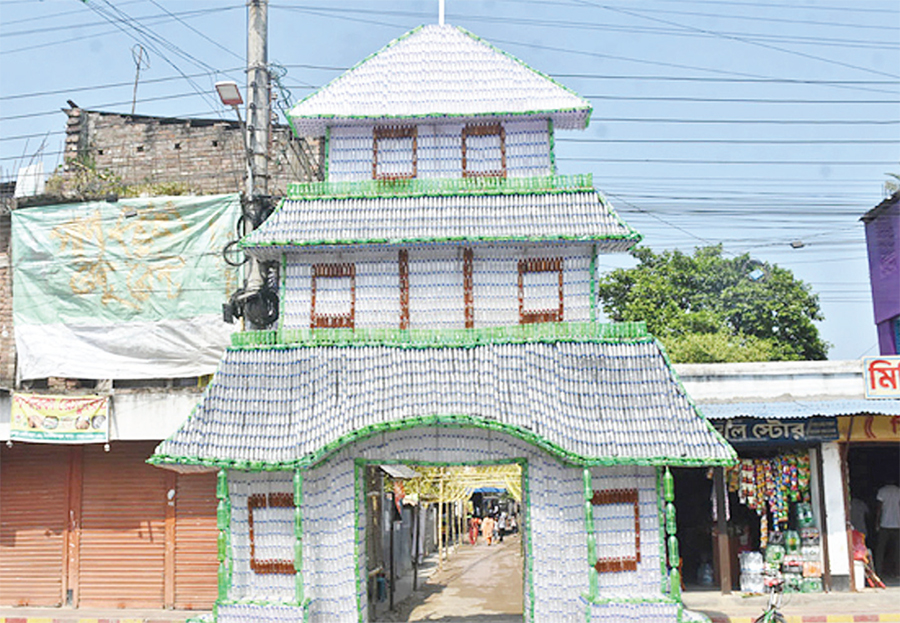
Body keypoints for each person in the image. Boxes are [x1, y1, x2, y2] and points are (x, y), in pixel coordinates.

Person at [875, 478, 900, 579]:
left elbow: (879, 509)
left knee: (880, 550)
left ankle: (878, 572)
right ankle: (898, 572)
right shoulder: (898, 491)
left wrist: (876, 522)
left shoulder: (882, 491)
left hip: (884, 524)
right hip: (897, 525)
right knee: (897, 550)